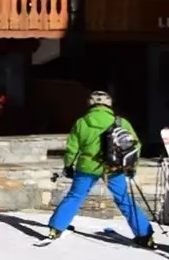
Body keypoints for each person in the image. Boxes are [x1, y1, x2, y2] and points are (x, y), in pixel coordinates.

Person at [43, 90, 155, 248]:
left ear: (90, 104)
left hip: (87, 165)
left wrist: (68, 166)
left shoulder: (81, 122)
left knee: (75, 196)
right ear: (109, 104)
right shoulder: (121, 122)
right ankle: (144, 235)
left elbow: (72, 149)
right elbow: (135, 145)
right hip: (113, 166)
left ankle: (56, 229)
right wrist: (131, 166)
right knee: (124, 200)